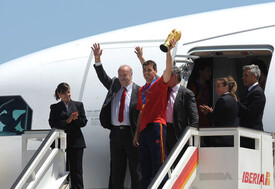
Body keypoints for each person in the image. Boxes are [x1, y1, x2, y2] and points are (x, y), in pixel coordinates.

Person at [92, 43, 141, 189]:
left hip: (132, 134)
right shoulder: (114, 85)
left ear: (131, 75)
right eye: (120, 76)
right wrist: (97, 59)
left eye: (125, 76)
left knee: (136, 171)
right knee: (116, 171)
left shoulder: (139, 90)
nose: (122, 79)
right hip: (115, 134)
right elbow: (102, 77)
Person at [135, 47, 198, 154]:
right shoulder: (163, 88)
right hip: (164, 129)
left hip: (178, 131)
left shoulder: (186, 93)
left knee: (178, 158)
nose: (166, 78)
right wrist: (141, 58)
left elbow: (194, 116)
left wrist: (191, 134)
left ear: (175, 77)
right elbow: (151, 73)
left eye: (169, 76)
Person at [133, 39, 175, 189]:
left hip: (157, 126)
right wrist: (137, 133)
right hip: (144, 130)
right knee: (145, 167)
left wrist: (168, 51)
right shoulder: (141, 90)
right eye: (144, 70)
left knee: (158, 163)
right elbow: (141, 113)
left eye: (150, 70)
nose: (146, 73)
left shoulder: (160, 84)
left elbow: (168, 69)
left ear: (156, 71)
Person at [49, 82, 87, 189]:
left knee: (77, 172)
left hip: (76, 143)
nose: (67, 95)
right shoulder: (55, 107)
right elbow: (53, 124)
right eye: (65, 93)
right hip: (61, 144)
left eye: (69, 92)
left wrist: (76, 119)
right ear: (59, 94)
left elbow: (83, 122)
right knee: (62, 172)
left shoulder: (78, 105)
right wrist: (67, 120)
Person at [239, 64, 266, 131]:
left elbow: (249, 113)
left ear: (254, 77)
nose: (243, 78)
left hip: (253, 133)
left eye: (246, 75)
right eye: (243, 75)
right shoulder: (249, 91)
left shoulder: (257, 93)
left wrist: (237, 103)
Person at [188, 61, 212, 127]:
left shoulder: (208, 87)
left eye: (210, 71)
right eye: (208, 71)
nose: (210, 73)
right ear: (200, 71)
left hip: (206, 121)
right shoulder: (193, 87)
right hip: (196, 122)